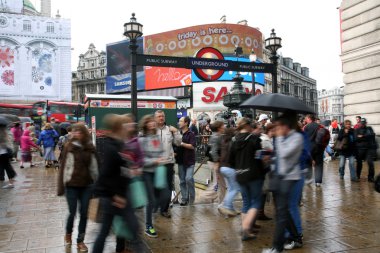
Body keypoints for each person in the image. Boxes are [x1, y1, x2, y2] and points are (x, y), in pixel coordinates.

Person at [92, 114, 143, 253]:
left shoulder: (119, 144)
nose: (128, 127)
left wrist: (131, 171)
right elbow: (106, 176)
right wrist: (117, 195)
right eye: (124, 125)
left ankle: (122, 248)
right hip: (114, 198)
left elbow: (121, 170)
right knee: (131, 229)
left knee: (108, 231)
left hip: (119, 195)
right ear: (119, 128)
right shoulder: (112, 148)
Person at [262, 116, 303, 253]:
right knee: (283, 212)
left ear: (286, 126)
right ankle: (296, 237)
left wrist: (278, 138)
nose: (276, 129)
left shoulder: (296, 137)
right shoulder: (282, 138)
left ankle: (277, 248)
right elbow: (278, 156)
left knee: (281, 214)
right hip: (278, 177)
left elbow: (285, 154)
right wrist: (270, 158)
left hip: (289, 178)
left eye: (279, 126)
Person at [57, 123, 98, 252]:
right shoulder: (69, 147)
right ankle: (68, 233)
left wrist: (97, 184)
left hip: (86, 186)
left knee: (84, 214)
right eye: (75, 132)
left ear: (84, 133)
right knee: (72, 212)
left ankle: (80, 241)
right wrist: (62, 185)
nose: (76, 134)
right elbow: (64, 167)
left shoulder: (90, 147)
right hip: (72, 185)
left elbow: (94, 167)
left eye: (79, 132)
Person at [229, 117, 265, 241]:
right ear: (248, 126)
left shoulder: (233, 140)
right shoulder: (254, 139)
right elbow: (260, 156)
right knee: (256, 201)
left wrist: (239, 168)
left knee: (246, 201)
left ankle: (247, 229)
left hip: (240, 174)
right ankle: (245, 228)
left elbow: (230, 160)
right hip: (254, 174)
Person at [138, 114, 166, 238]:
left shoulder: (156, 137)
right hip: (147, 173)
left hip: (158, 172)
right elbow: (141, 160)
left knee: (164, 195)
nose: (152, 124)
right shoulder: (141, 139)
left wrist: (162, 158)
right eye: (149, 122)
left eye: (152, 121)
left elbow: (160, 151)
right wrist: (155, 161)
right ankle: (149, 225)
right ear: (145, 124)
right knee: (151, 200)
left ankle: (150, 211)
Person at [154, 110, 181, 218]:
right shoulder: (152, 130)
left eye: (163, 116)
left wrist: (176, 132)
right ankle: (156, 205)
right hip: (155, 164)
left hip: (168, 163)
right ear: (155, 118)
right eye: (159, 116)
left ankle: (164, 209)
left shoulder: (170, 129)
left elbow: (178, 143)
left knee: (168, 187)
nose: (161, 118)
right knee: (156, 187)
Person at [218, 128, 240, 216]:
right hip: (229, 168)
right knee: (235, 188)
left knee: (231, 188)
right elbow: (233, 157)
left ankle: (230, 208)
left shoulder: (224, 141)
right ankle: (224, 206)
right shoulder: (232, 143)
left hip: (222, 168)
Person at [177, 116, 196, 206]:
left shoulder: (191, 134)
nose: (179, 122)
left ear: (186, 123)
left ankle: (192, 198)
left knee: (188, 178)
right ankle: (184, 199)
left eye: (181, 121)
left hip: (189, 161)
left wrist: (181, 143)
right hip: (180, 160)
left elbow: (192, 146)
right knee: (182, 181)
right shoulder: (178, 133)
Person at [303, 114, 324, 187]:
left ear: (309, 118)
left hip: (310, 147)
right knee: (319, 164)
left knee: (308, 163)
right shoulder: (319, 126)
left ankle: (309, 179)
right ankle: (318, 181)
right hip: (319, 147)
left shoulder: (306, 127)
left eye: (306, 118)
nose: (305, 120)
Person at [354, 118, 377, 182]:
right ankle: (357, 175)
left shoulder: (369, 128)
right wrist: (366, 137)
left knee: (370, 163)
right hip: (359, 149)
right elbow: (356, 139)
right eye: (361, 123)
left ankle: (371, 177)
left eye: (364, 123)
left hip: (368, 149)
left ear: (366, 123)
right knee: (359, 164)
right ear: (360, 123)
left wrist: (362, 136)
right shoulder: (356, 130)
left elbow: (372, 135)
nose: (362, 124)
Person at [0, 118, 17, 189]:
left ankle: (11, 183)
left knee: (7, 167)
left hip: (3, 153)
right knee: (6, 167)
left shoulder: (2, 133)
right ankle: (10, 182)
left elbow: (4, 143)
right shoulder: (5, 132)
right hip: (5, 153)